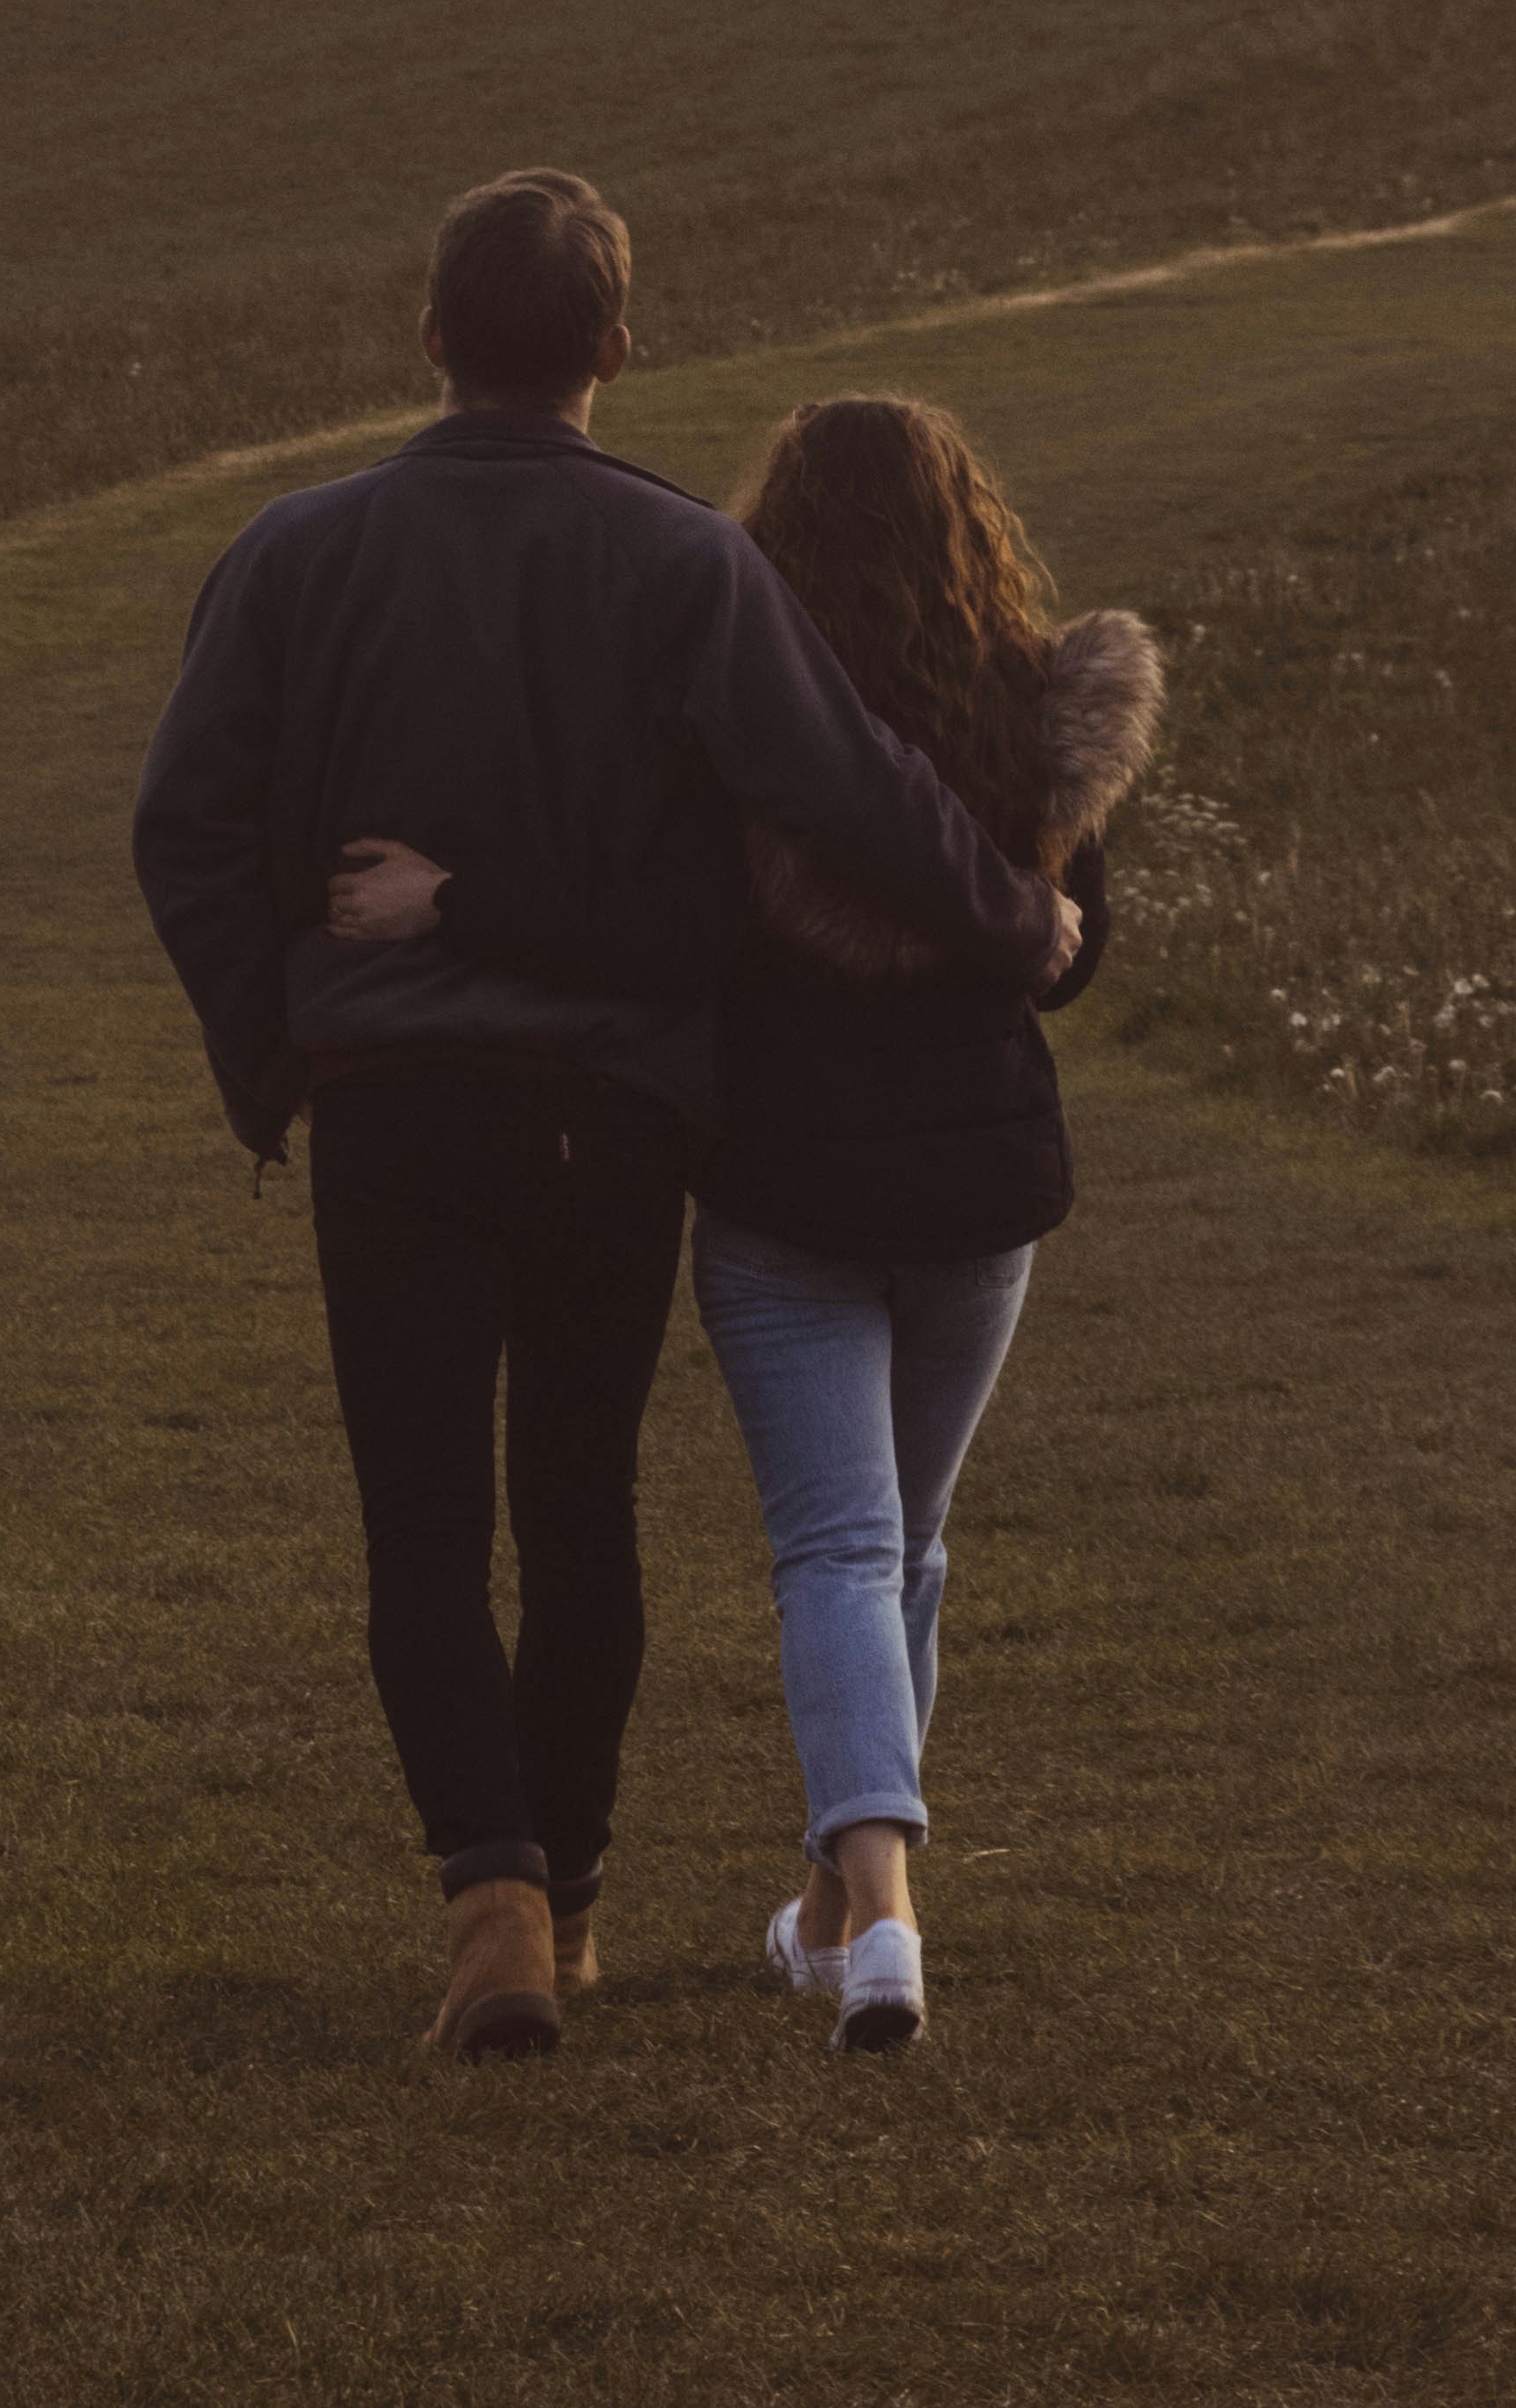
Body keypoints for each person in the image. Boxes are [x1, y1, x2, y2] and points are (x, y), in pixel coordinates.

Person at [132, 179, 1074, 2064]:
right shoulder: (683, 564)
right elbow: (853, 787)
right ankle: (564, 1904)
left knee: (419, 1520)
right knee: (579, 1513)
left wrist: (279, 1056)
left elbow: (186, 827)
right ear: (615, 352)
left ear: (429, 338)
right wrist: (1014, 911)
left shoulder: (294, 552)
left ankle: (486, 1894)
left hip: (392, 1108)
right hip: (613, 1120)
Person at [331, 392, 1160, 2055]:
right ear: (972, 526)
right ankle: (838, 1913)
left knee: (844, 1553)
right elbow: (1075, 954)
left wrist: (458, 900)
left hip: (787, 1195)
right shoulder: (1043, 712)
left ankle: (882, 1930)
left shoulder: (736, 725)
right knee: (904, 1551)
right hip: (983, 1194)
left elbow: (657, 926)